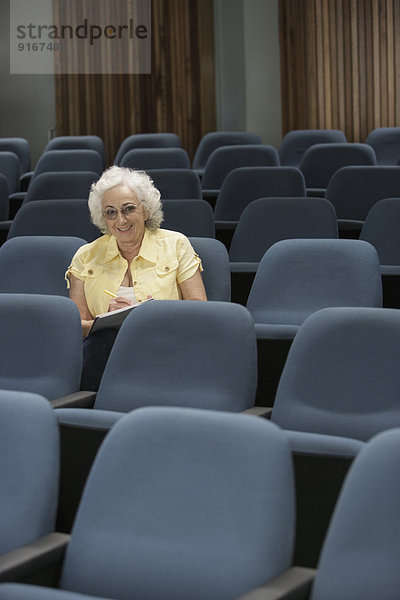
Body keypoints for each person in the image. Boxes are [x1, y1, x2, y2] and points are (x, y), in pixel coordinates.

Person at [66, 165, 207, 390]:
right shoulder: (86, 256)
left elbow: (199, 309)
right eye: (110, 212)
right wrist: (104, 321)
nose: (120, 220)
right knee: (99, 345)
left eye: (128, 209)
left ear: (146, 210)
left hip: (164, 343)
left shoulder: (176, 245)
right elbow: (74, 326)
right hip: (105, 350)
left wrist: (147, 316)